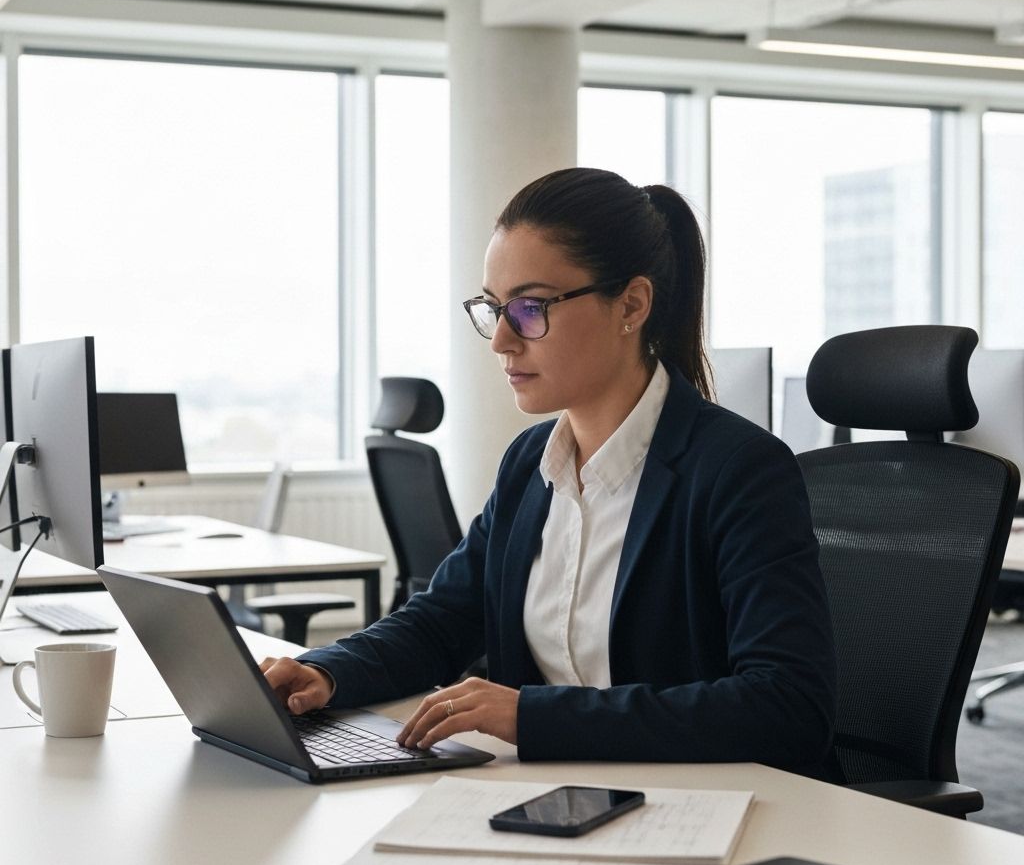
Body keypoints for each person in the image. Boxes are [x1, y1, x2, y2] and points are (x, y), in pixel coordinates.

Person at [261, 167, 836, 775]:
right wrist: (327, 670)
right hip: (556, 799)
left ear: (631, 306)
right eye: (494, 308)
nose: (502, 340)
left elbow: (788, 706)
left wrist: (531, 716)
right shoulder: (530, 465)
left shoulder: (738, 471)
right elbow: (440, 623)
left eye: (530, 307)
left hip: (713, 810)